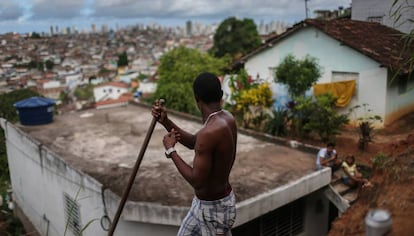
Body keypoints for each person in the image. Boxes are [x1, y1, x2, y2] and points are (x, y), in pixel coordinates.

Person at [152, 72, 237, 236]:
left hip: (214, 211)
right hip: (204, 204)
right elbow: (193, 142)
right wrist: (166, 121)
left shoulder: (209, 132)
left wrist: (171, 151)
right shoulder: (227, 118)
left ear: (196, 98)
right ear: (220, 94)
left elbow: (196, 181)